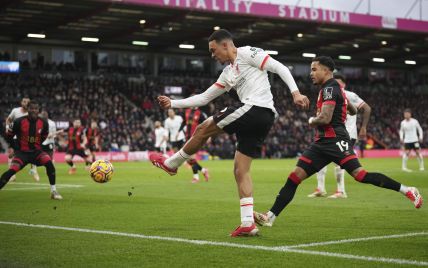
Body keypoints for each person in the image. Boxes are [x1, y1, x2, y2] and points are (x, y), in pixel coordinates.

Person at [149, 29, 309, 237]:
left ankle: (172, 164)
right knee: (240, 170)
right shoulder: (227, 73)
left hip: (256, 108)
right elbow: (205, 98)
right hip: (261, 119)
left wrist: (295, 92)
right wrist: (173, 103)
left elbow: (278, 67)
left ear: (225, 45)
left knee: (203, 128)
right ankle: (247, 224)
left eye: (213, 50)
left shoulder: (247, 53)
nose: (212, 55)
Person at [253, 56, 423, 228]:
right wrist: (343, 106)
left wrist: (312, 120)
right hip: (321, 143)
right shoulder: (336, 89)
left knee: (361, 175)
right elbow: (354, 109)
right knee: (294, 177)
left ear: (326, 71)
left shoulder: (329, 89)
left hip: (335, 141)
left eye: (314, 69)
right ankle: (270, 216)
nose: (310, 74)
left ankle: (407, 190)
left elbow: (326, 118)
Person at [308, 73, 371, 198]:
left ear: (344, 84)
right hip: (331, 133)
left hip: (347, 134)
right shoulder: (327, 93)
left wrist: (363, 127)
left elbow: (367, 108)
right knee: (320, 160)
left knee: (339, 163)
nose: (334, 84)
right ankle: (321, 189)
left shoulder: (350, 95)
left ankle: (341, 191)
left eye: (338, 82)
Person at [0, 101, 62, 200]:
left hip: (36, 152)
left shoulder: (43, 123)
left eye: (36, 108)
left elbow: (44, 136)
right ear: (27, 109)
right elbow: (9, 135)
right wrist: (13, 147)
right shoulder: (19, 121)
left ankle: (53, 191)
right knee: (12, 171)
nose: (34, 110)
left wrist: (36, 144)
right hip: (22, 154)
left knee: (50, 164)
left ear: (38, 110)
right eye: (31, 108)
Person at [5, 97, 39, 182]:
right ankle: (12, 175)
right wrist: (7, 127)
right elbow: (8, 119)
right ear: (21, 102)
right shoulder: (15, 111)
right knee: (11, 155)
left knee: (33, 153)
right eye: (24, 101)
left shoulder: (31, 112)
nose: (26, 103)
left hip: (27, 138)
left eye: (27, 102)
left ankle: (34, 171)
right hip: (16, 137)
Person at [178, 107, 210, 183]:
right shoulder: (186, 111)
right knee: (189, 159)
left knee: (191, 158)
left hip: (195, 137)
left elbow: (206, 125)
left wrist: (208, 136)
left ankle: (196, 177)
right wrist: (178, 131)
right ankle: (203, 170)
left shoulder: (200, 114)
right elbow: (184, 122)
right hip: (187, 137)